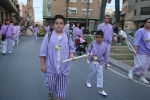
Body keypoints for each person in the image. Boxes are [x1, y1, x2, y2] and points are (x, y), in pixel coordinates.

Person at [39, 14, 75, 100]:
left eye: (61, 23)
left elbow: (71, 48)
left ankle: (59, 97)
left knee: (62, 87)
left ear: (64, 25)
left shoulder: (67, 36)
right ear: (53, 25)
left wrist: (72, 55)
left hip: (64, 67)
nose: (59, 25)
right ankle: (51, 91)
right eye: (57, 23)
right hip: (51, 66)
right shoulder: (49, 36)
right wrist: (42, 65)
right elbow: (43, 52)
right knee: (50, 84)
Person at [128, 18, 150, 84]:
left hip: (149, 52)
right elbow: (136, 41)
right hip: (141, 51)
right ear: (144, 23)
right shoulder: (141, 31)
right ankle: (132, 71)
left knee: (146, 66)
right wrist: (135, 50)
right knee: (141, 65)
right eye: (148, 22)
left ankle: (142, 77)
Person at [86, 30, 108, 96]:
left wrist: (106, 63)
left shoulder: (105, 45)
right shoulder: (93, 43)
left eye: (99, 37)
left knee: (100, 76)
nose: (98, 39)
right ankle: (88, 81)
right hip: (93, 61)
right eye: (96, 37)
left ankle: (101, 89)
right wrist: (87, 54)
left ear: (102, 37)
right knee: (91, 73)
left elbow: (106, 55)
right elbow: (88, 50)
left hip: (100, 62)